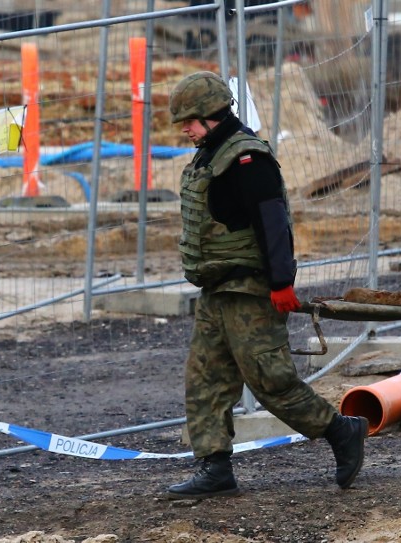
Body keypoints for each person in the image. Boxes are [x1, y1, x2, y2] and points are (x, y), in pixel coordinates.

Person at [166, 71, 368, 498]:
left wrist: (281, 282)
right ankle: (215, 467)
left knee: (271, 380)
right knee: (205, 379)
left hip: (250, 291)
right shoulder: (210, 154)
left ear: (210, 115)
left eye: (188, 119)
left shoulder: (247, 159)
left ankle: (341, 431)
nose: (184, 128)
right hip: (217, 291)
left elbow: (273, 223)